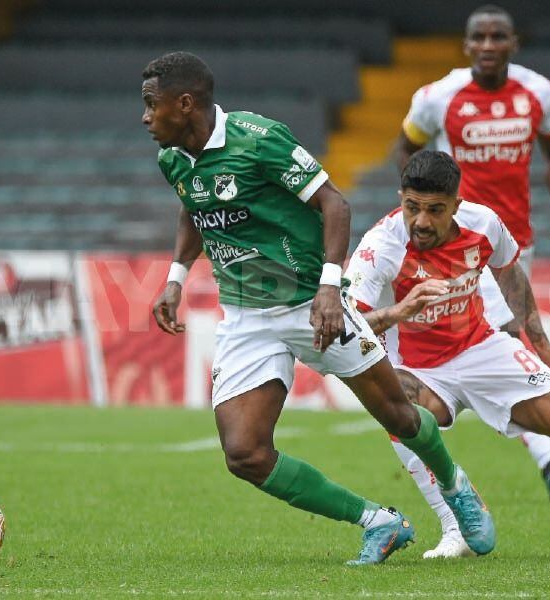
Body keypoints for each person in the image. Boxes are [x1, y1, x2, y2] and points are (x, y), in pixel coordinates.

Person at [143, 51, 495, 565]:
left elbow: (335, 203)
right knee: (245, 454)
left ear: (186, 102)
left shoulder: (259, 140)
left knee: (397, 413)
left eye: (152, 106)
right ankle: (378, 522)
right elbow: (194, 206)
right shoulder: (174, 157)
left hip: (312, 302)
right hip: (245, 317)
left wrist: (331, 290)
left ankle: (456, 485)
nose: (146, 118)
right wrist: (176, 277)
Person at [346, 150, 550, 561]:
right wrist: (400, 311)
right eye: (412, 207)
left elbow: (509, 272)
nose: (421, 221)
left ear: (457, 205)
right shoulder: (381, 246)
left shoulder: (483, 224)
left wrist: (542, 344)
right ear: (401, 198)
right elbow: (346, 323)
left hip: (484, 349)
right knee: (396, 407)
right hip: (418, 366)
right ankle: (456, 528)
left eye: (435, 210)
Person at [393, 4, 550, 519]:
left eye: (499, 36)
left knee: (500, 340)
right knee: (506, 336)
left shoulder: (538, 93)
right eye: (480, 36)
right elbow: (406, 151)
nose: (489, 45)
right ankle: (547, 458)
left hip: (514, 239)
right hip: (458, 245)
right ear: (467, 44)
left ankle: (535, 450)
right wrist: (414, 215)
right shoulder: (437, 98)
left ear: (513, 43)